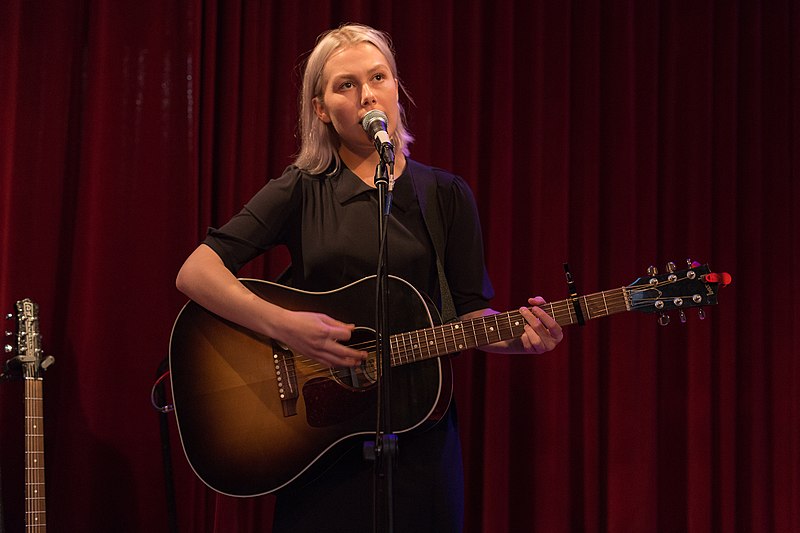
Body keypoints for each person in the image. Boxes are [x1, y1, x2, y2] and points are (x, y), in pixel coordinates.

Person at [176, 23, 564, 533]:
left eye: (378, 77)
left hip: (419, 437)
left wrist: (523, 339)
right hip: (321, 443)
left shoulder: (445, 195)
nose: (367, 95)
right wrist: (284, 327)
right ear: (321, 109)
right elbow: (195, 272)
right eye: (346, 85)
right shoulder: (302, 188)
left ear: (396, 90)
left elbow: (469, 314)